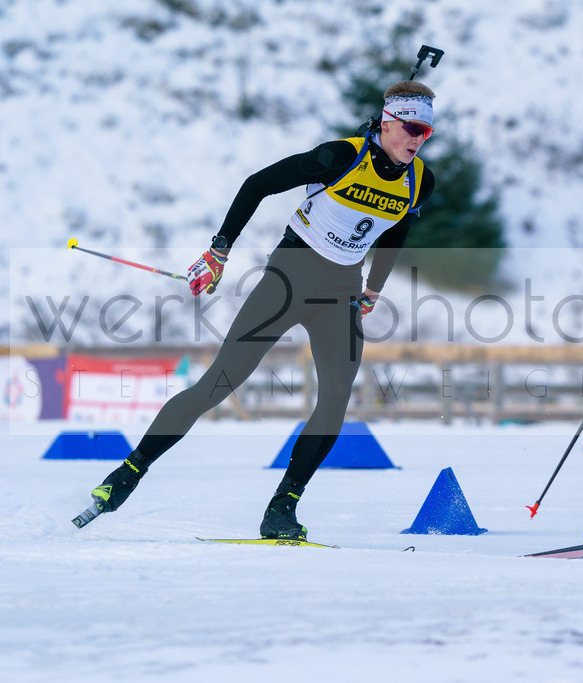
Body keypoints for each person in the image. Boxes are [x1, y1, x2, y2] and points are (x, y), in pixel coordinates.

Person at [74, 80, 437, 540]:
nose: (418, 139)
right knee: (219, 384)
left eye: (426, 132)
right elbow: (257, 184)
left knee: (336, 399)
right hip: (290, 278)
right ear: (387, 122)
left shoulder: (420, 180)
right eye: (411, 127)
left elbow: (396, 228)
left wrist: (373, 288)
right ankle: (127, 474)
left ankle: (282, 507)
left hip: (341, 293)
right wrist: (218, 251)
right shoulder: (339, 157)